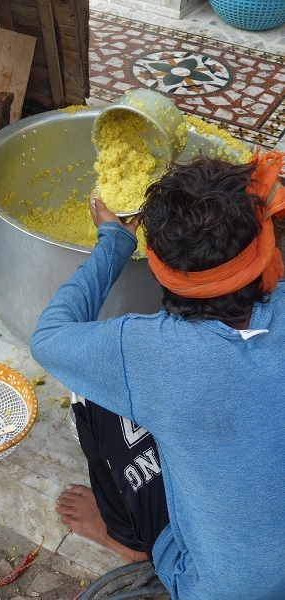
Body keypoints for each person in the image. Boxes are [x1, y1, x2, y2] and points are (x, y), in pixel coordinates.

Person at [30, 152, 285, 600]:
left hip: (220, 588)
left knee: (91, 394)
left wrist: (112, 239)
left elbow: (49, 338)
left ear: (159, 270)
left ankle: (126, 539)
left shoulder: (145, 351)